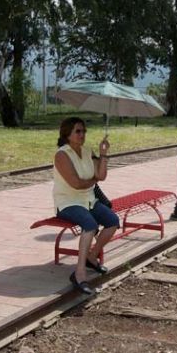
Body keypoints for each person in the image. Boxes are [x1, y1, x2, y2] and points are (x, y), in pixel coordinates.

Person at [53, 116, 120, 295]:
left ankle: (92, 256)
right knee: (89, 225)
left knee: (113, 221)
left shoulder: (88, 151)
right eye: (78, 131)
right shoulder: (62, 154)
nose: (82, 134)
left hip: (89, 200)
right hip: (68, 202)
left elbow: (101, 175)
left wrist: (103, 153)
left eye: (84, 131)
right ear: (67, 134)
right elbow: (75, 183)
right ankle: (79, 273)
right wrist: (92, 180)